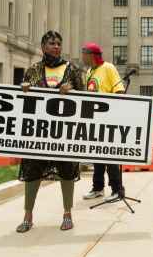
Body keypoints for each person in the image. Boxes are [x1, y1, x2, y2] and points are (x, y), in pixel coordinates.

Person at [16, 31, 82, 233]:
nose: (56, 47)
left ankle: (67, 214)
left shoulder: (72, 70)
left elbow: (87, 100)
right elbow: (20, 103)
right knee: (32, 173)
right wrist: (23, 89)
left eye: (59, 44)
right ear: (43, 46)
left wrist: (72, 91)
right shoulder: (33, 70)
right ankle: (28, 216)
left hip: (64, 132)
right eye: (52, 43)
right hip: (38, 133)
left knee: (67, 172)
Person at [80, 42, 125, 201]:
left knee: (110, 157)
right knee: (97, 156)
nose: (82, 57)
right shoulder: (90, 71)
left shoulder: (108, 68)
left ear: (91, 55)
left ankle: (117, 190)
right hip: (95, 120)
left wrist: (112, 113)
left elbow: (119, 90)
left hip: (108, 119)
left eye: (84, 53)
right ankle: (98, 188)